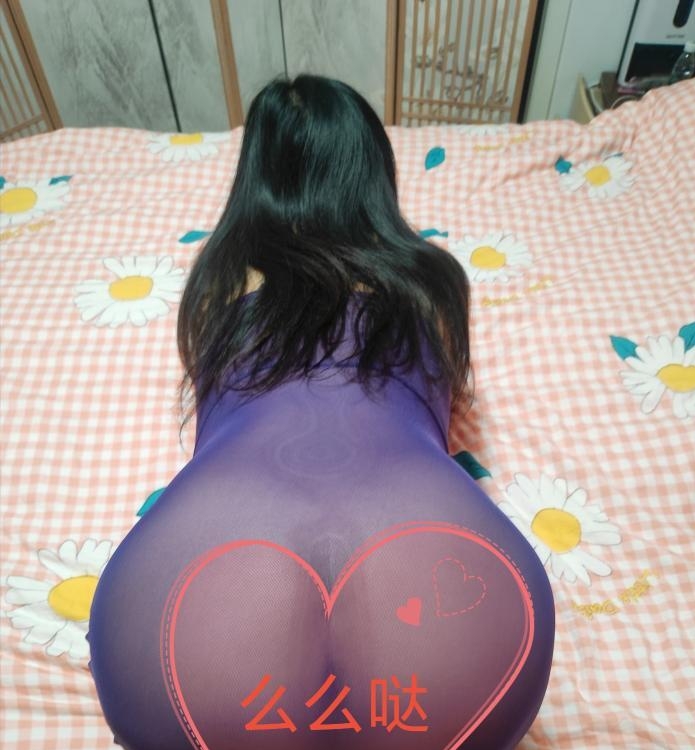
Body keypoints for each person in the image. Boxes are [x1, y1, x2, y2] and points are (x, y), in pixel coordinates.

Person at [87, 74, 554, 750]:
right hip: (439, 583)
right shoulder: (430, 282)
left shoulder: (217, 283)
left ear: (253, 177)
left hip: (188, 598)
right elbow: (444, 397)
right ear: (374, 173)